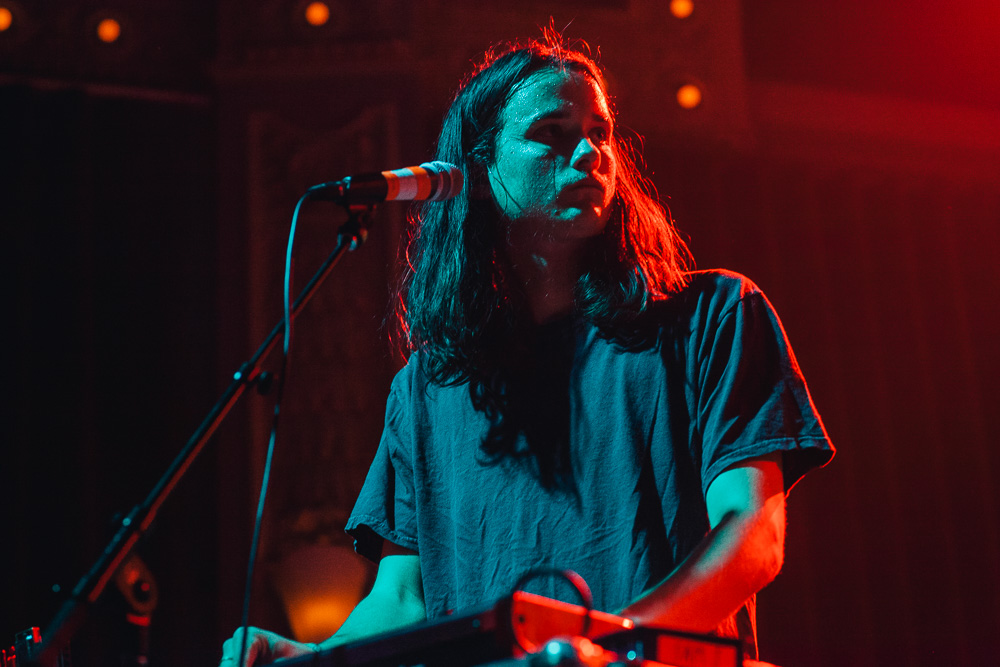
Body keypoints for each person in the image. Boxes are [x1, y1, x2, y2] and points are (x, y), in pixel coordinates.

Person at [220, 34, 834, 666]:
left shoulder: (714, 316)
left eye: (600, 132)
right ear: (479, 172)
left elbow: (754, 538)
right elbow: (402, 599)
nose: (591, 153)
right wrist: (307, 659)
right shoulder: (428, 387)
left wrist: (615, 644)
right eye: (552, 134)